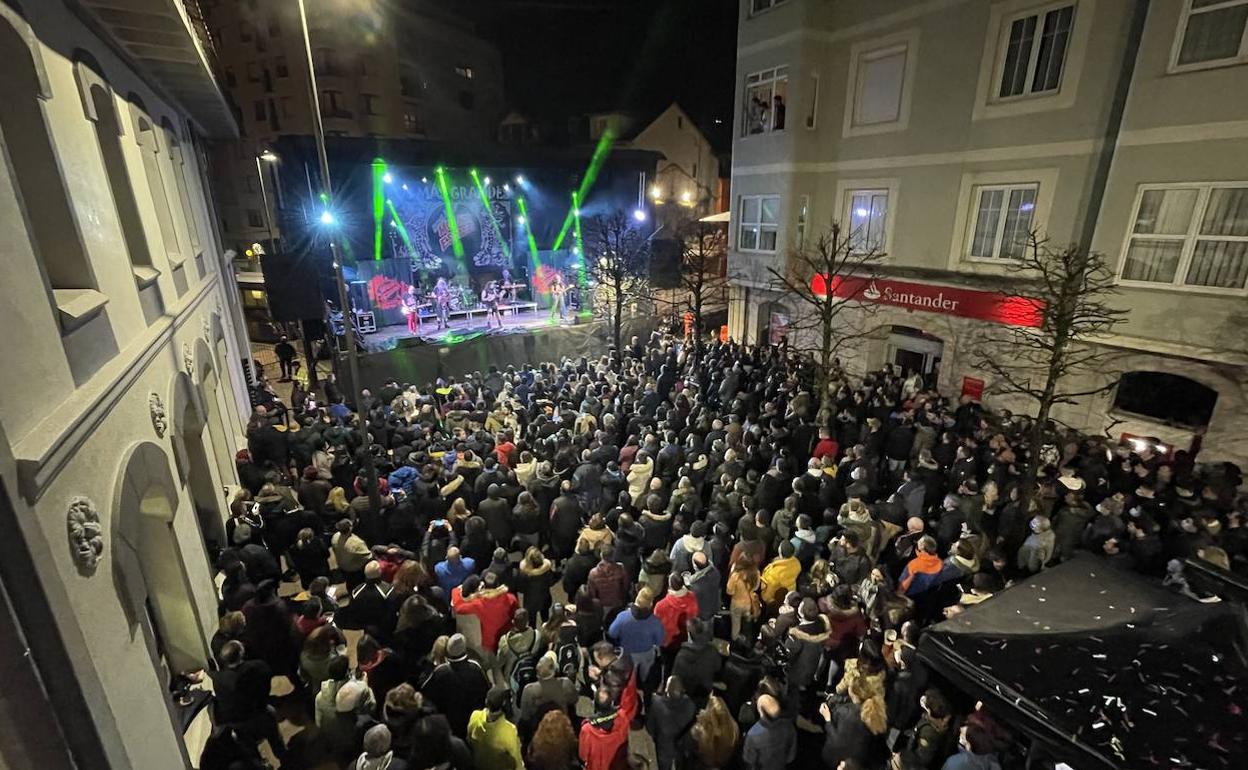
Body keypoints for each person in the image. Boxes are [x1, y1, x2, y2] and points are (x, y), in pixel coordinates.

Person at [468, 687, 525, 770]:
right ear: (505, 703)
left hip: (480, 764)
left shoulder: (475, 716)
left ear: (486, 701)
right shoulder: (509, 731)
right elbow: (516, 761)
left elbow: (469, 740)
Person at [742, 692, 796, 770]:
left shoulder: (753, 734)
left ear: (761, 711)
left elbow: (750, 761)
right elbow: (790, 757)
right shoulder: (789, 727)